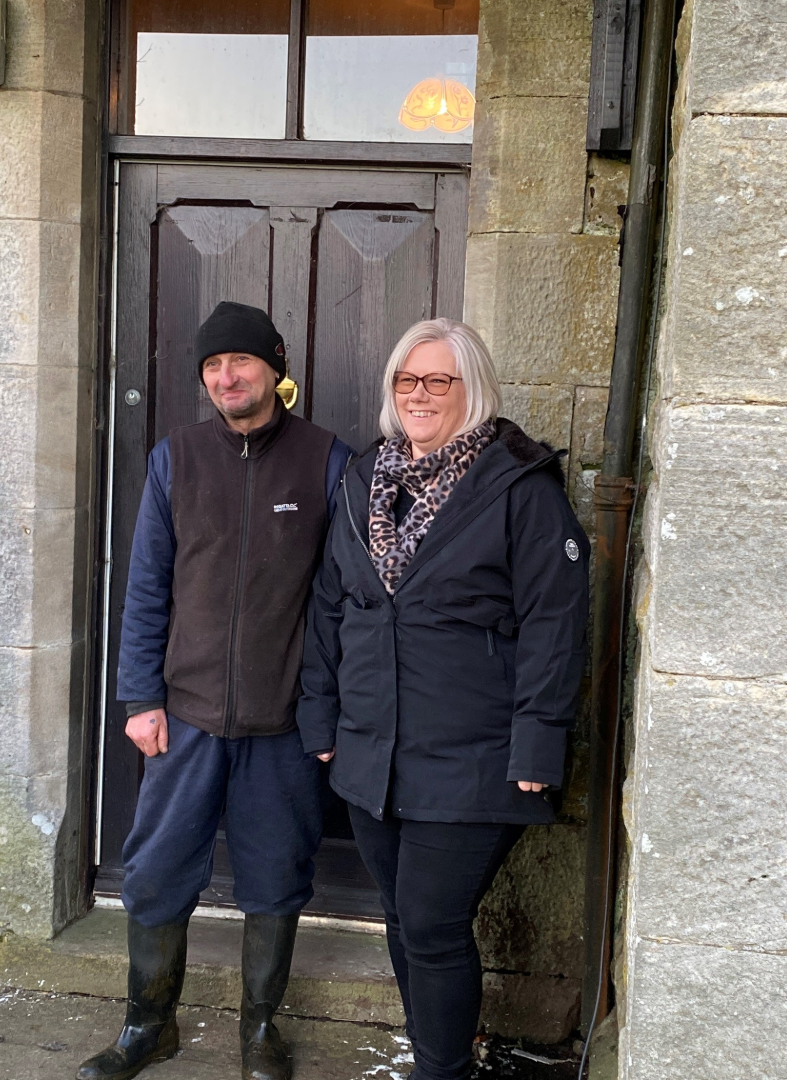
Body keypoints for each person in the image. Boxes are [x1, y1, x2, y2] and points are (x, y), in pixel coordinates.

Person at [297, 319, 589, 1080]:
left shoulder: (519, 487)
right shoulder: (365, 479)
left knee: (430, 922)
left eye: (438, 381)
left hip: (474, 756)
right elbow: (330, 606)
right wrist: (320, 715)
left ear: (472, 390)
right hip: (370, 749)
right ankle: (436, 1052)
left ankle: (441, 1071)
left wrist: (538, 743)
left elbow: (556, 624)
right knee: (401, 920)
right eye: (406, 380)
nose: (419, 395)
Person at [81, 301, 352, 1080]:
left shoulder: (329, 461)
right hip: (185, 715)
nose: (225, 377)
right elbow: (146, 590)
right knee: (157, 871)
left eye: (238, 362)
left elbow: (339, 605)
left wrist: (323, 711)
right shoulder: (177, 459)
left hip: (285, 724)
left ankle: (259, 1030)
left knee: (276, 876)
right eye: (211, 368)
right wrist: (140, 700)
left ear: (275, 366)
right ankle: (148, 1026)